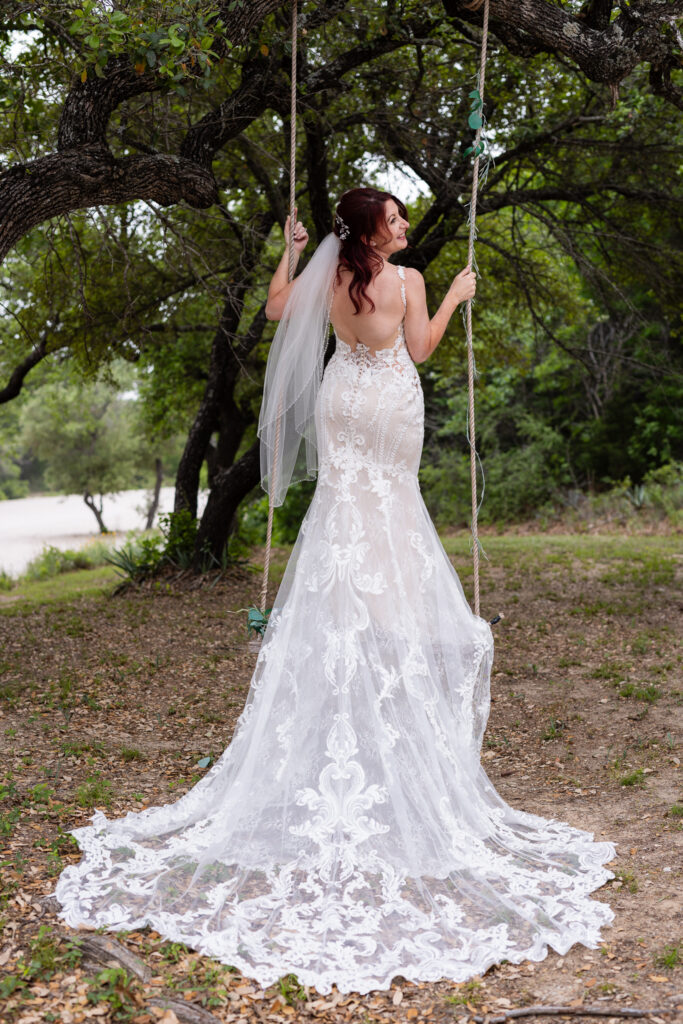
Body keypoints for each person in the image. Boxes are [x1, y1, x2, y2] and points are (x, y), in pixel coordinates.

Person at [53, 187, 615, 996]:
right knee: (389, 506)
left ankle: (351, 623)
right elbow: (417, 351)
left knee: (346, 511)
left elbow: (279, 311)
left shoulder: (327, 278)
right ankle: (385, 627)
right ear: (373, 229)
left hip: (341, 399)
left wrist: (287, 246)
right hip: (387, 402)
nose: (405, 226)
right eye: (394, 218)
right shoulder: (413, 279)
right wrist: (455, 297)